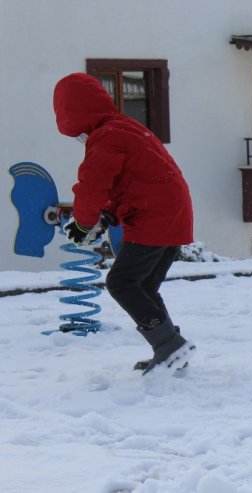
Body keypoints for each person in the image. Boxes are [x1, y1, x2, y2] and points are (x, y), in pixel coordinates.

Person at [53, 72, 196, 374]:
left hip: (153, 217)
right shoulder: (125, 128)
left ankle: (169, 345)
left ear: (71, 111)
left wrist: (83, 222)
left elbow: (93, 185)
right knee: (143, 286)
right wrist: (106, 215)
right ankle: (170, 349)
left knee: (121, 283)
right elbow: (131, 182)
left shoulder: (106, 137)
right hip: (172, 214)